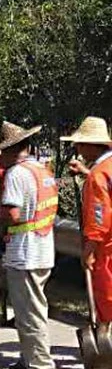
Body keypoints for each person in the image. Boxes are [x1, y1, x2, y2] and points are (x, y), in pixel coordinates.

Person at [0, 121, 58, 369]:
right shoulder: (41, 170)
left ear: (11, 149)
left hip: (25, 253)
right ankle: (27, 361)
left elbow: (12, 214)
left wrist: (0, 238)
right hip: (42, 249)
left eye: (2, 152)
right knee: (30, 310)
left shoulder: (16, 174)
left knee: (30, 314)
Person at [61, 117, 112, 324]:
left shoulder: (98, 175)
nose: (78, 148)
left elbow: (99, 215)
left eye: (80, 144)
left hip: (107, 248)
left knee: (108, 298)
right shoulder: (105, 168)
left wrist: (89, 250)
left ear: (92, 145)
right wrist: (86, 172)